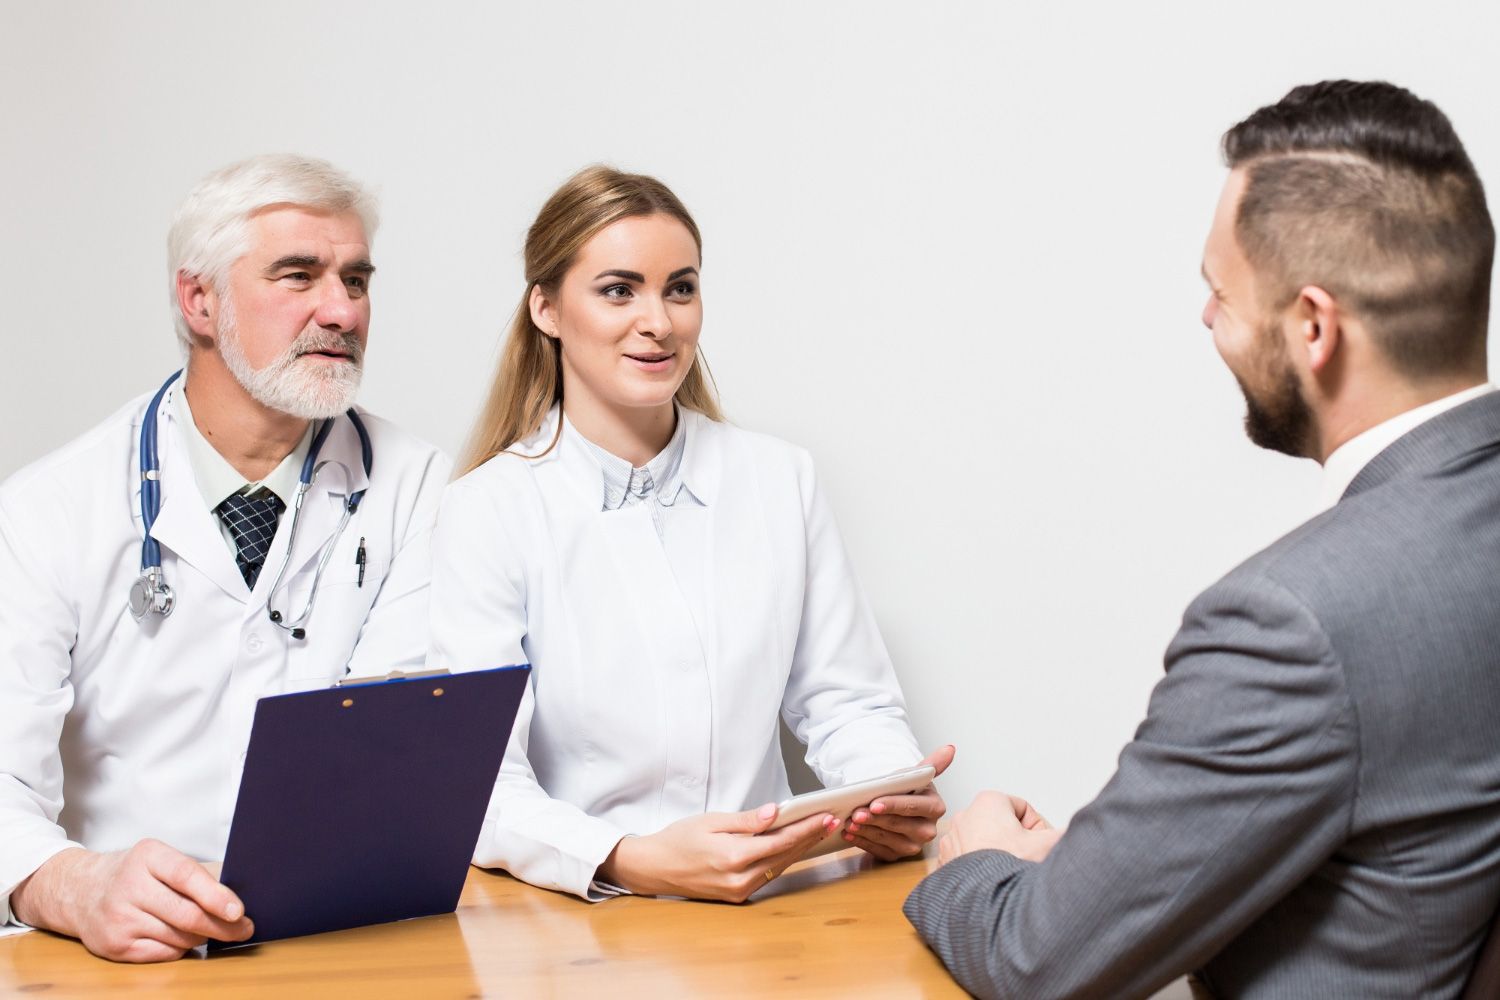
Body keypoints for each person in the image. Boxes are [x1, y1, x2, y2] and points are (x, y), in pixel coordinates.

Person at [905, 79, 1500, 999]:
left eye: (1220, 292)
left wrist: (971, 863)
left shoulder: (1292, 625)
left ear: (1313, 326)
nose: (1206, 319)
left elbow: (1039, 963)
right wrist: (1136, 862)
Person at [429, 165, 952, 903]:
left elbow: (848, 703)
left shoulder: (779, 478)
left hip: (777, 912)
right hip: (579, 924)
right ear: (545, 308)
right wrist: (628, 858)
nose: (660, 321)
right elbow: (480, 785)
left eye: (681, 287)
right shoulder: (487, 510)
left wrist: (886, 796)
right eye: (619, 290)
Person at [0, 154, 450, 962]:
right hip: (120, 959)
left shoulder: (415, 485)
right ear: (199, 300)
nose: (341, 310)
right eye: (298, 275)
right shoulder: (45, 510)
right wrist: (73, 885)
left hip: (337, 941)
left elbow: (398, 750)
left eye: (356, 279)